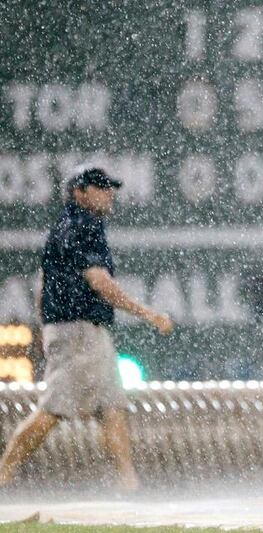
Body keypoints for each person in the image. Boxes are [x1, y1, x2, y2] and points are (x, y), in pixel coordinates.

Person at [0, 167, 173, 492]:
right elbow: (100, 283)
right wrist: (148, 313)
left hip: (77, 330)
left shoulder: (65, 227)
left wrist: (48, 327)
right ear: (79, 192)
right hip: (79, 332)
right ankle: (2, 476)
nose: (109, 194)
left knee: (112, 407)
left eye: (110, 188)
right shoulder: (83, 225)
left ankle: (128, 484)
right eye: (101, 187)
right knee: (52, 410)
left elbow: (43, 284)